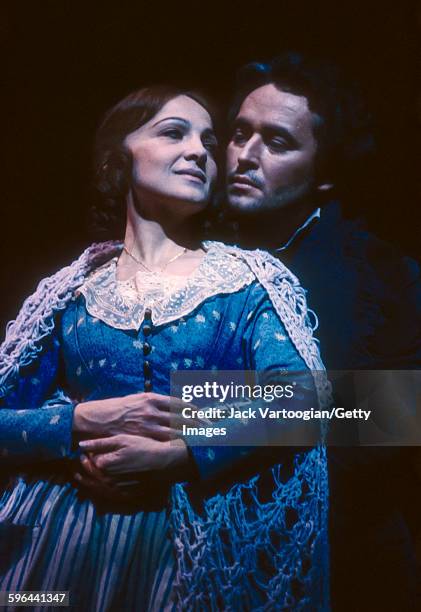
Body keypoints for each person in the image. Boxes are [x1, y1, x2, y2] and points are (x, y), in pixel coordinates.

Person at [0, 85, 329, 610]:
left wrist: (179, 453)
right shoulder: (71, 290)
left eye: (207, 140)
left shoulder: (246, 282)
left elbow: (303, 401)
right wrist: (81, 421)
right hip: (59, 546)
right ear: (118, 160)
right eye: (173, 133)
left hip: (188, 548)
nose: (201, 151)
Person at [224, 52, 421, 611]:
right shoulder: (191, 249)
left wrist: (194, 416)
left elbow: (389, 415)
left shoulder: (381, 272)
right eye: (239, 133)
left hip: (343, 565)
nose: (245, 155)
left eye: (277, 142)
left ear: (325, 171)